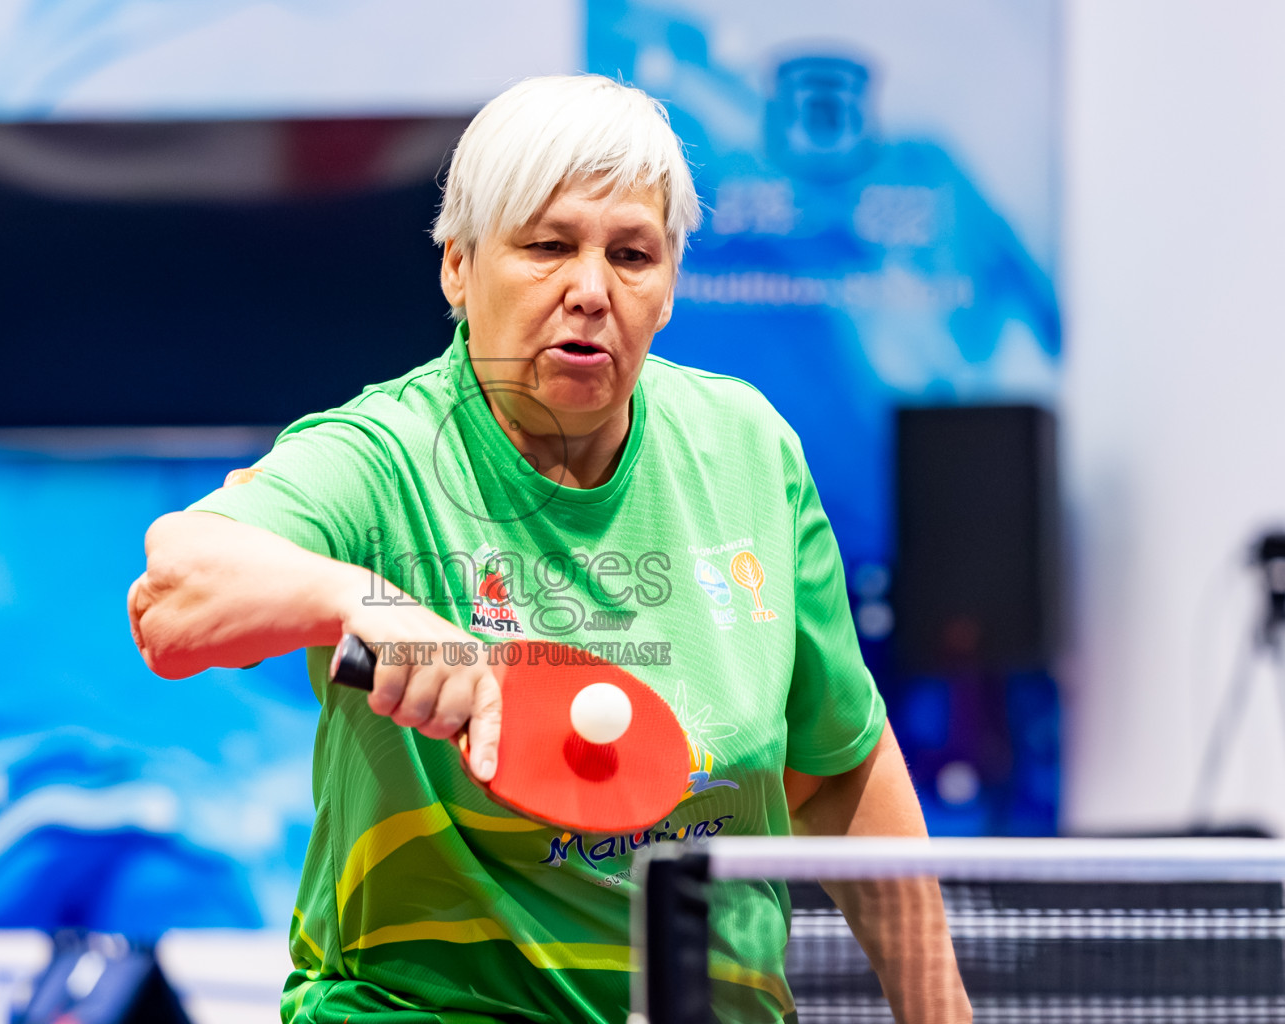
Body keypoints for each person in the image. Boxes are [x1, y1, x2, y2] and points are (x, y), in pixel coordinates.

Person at [128, 74, 969, 1023]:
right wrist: (369, 605)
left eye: (632, 254)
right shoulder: (380, 458)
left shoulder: (747, 449)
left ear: (670, 284)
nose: (591, 290)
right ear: (457, 266)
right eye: (547, 246)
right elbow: (173, 596)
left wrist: (941, 1016)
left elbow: (838, 762)